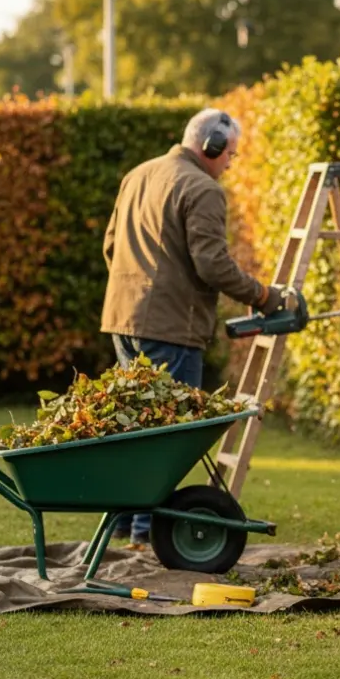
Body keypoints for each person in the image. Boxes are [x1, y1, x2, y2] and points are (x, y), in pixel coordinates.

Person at [100, 107, 285, 549]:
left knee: (137, 427)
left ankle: (126, 523)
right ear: (212, 147)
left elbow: (111, 245)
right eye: (231, 156)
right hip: (170, 329)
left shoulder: (139, 174)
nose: (230, 165)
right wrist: (262, 295)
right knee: (170, 437)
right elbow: (212, 263)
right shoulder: (202, 188)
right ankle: (149, 533)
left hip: (123, 320)